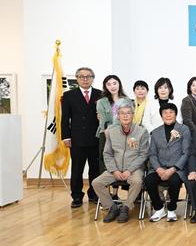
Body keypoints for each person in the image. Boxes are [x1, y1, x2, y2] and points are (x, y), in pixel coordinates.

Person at [92, 100, 150, 223]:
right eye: (122, 113)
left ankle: (126, 207)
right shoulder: (112, 132)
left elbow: (143, 155)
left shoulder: (141, 132)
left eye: (128, 113)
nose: (125, 116)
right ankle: (112, 208)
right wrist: (114, 170)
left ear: (132, 115)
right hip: (115, 169)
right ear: (118, 116)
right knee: (96, 183)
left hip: (134, 169)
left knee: (137, 181)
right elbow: (107, 153)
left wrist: (129, 170)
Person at [61, 67, 102, 207]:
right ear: (77, 79)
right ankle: (77, 196)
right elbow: (65, 118)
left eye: (88, 76)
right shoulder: (69, 95)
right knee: (77, 169)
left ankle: (94, 194)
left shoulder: (100, 94)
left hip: (96, 139)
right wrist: (66, 137)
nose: (85, 79)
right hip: (77, 139)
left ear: (93, 78)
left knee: (95, 169)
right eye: (81, 76)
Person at [144, 103, 191, 223]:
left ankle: (171, 209)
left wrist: (173, 168)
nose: (168, 115)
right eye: (165, 113)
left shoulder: (184, 129)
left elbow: (186, 152)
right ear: (161, 116)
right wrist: (158, 169)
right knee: (149, 180)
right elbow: (152, 154)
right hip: (159, 168)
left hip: (177, 169)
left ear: (176, 114)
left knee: (174, 180)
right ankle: (159, 208)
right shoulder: (155, 132)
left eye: (171, 112)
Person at [96, 75, 130, 174]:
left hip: (123, 133)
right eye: (109, 84)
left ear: (119, 84)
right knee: (105, 159)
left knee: (121, 160)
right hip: (105, 133)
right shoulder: (101, 102)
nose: (112, 86)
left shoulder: (127, 101)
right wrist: (110, 130)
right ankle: (105, 181)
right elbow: (104, 121)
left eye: (114, 83)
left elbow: (128, 118)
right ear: (105, 87)